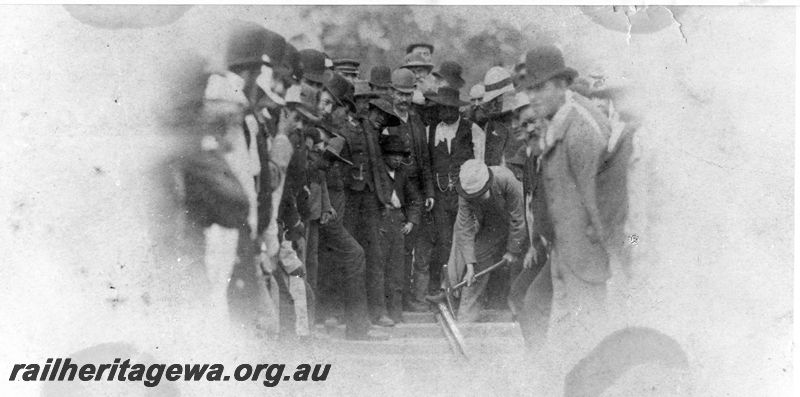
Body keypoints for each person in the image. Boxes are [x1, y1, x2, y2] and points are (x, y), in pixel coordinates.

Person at [519, 44, 614, 349]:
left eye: (540, 87)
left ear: (562, 85)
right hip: (564, 254)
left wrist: (630, 251)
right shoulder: (556, 122)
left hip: (588, 261)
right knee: (535, 311)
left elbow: (607, 207)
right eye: (529, 89)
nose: (532, 97)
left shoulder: (581, 129)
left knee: (587, 343)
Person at [339, 95, 401, 327]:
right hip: (350, 197)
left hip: (371, 200)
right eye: (379, 115)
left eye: (385, 119)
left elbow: (378, 171)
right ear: (368, 110)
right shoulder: (350, 128)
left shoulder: (375, 135)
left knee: (374, 253)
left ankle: (377, 312)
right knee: (350, 253)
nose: (381, 121)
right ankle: (348, 312)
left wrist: (383, 198)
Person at [425, 86, 486, 301]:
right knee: (442, 240)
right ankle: (441, 285)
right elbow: (427, 164)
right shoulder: (430, 130)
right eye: (441, 108)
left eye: (450, 108)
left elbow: (480, 163)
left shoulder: (473, 129)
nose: (445, 112)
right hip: (441, 196)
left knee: (463, 237)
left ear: (458, 109)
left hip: (464, 195)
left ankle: (459, 285)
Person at [448, 160, 526, 323]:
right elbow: (465, 229)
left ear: (489, 183)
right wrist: (469, 265)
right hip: (492, 225)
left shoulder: (506, 180)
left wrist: (513, 250)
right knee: (477, 264)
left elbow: (518, 219)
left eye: (480, 194)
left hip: (521, 225)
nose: (476, 199)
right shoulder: (465, 194)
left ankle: (518, 315)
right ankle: (466, 319)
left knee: (519, 267)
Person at [385, 68, 435, 311]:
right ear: (391, 92)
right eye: (399, 94)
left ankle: (411, 298)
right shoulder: (384, 120)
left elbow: (424, 159)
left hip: (416, 190)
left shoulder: (416, 120)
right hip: (395, 189)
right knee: (397, 248)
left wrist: (430, 193)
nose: (403, 100)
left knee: (413, 246)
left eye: (407, 94)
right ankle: (398, 300)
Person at [377, 134, 421, 323]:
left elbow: (415, 199)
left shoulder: (402, 174)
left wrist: (411, 221)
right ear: (385, 156)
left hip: (397, 223)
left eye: (400, 155)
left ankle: (395, 312)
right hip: (380, 224)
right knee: (380, 269)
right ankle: (381, 312)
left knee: (397, 269)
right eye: (392, 155)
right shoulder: (378, 174)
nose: (397, 159)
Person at [480, 67, 517, 166]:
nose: (493, 104)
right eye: (492, 100)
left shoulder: (523, 120)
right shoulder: (492, 125)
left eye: (496, 99)